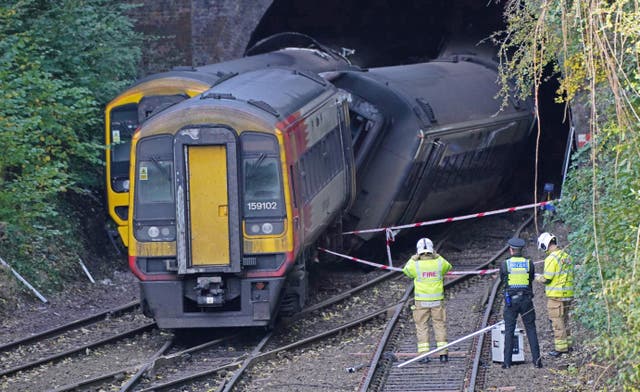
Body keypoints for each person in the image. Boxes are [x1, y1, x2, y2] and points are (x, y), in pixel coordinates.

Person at [402, 237, 452, 363]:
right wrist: (437, 256)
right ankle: (443, 354)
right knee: (439, 325)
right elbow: (448, 266)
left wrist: (413, 258)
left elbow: (406, 270)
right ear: (432, 250)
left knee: (422, 326)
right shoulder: (439, 262)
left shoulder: (415, 264)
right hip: (437, 301)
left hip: (421, 302)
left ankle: (424, 355)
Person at [500, 237, 542, 369]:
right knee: (531, 329)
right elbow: (531, 279)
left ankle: (507, 363)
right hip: (526, 300)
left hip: (511, 301)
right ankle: (537, 361)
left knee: (509, 330)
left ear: (511, 250)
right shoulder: (529, 263)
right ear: (521, 250)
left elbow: (503, 280)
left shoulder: (505, 264)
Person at [536, 232, 574, 357]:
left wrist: (536, 277)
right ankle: (569, 346)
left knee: (557, 323)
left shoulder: (551, 258)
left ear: (544, 245)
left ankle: (561, 349)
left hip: (556, 297)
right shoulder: (567, 256)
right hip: (568, 294)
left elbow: (547, 278)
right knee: (565, 321)